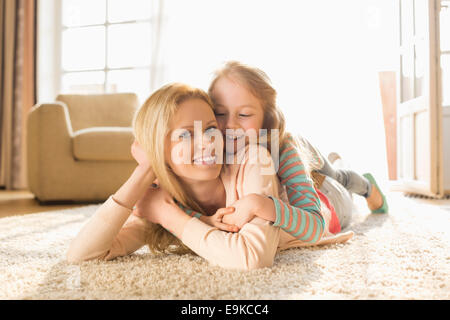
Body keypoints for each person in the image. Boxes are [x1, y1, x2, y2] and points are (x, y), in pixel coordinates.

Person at [66, 83, 352, 270]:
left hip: (326, 205)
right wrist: (142, 174)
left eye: (211, 128)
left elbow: (252, 258)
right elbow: (83, 255)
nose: (207, 142)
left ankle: (340, 167)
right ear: (157, 151)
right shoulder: (160, 199)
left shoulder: (254, 159)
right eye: (185, 134)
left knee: (334, 177)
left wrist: (170, 217)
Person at [205, 61, 388, 233]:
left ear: (266, 119)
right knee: (311, 159)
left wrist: (259, 204)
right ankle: (331, 161)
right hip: (308, 179)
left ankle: (367, 186)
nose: (230, 124)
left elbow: (315, 224)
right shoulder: (207, 150)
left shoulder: (280, 149)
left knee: (338, 178)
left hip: (330, 201)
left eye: (244, 114)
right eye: (219, 113)